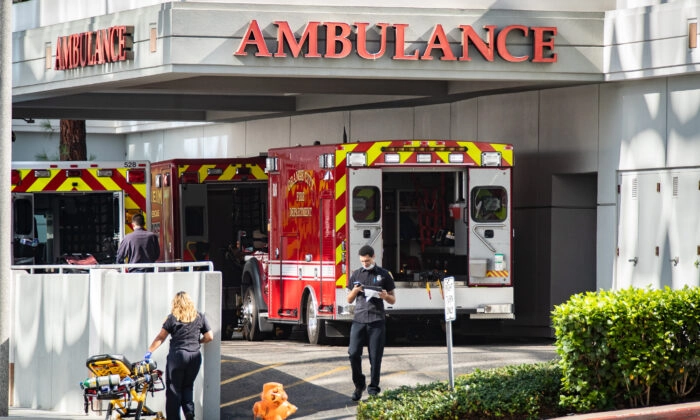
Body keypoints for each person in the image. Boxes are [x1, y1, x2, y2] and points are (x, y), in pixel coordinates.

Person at [146, 291, 214, 420]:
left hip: (177, 357)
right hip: (194, 356)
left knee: (174, 390)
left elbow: (161, 337)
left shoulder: (172, 318)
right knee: (188, 386)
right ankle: (189, 413)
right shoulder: (200, 316)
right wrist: (198, 341)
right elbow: (209, 336)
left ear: (175, 304)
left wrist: (149, 351)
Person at [346, 245, 396, 401]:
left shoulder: (384, 275)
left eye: (367, 260)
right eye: (362, 261)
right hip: (359, 319)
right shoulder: (356, 274)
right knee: (353, 353)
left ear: (373, 257)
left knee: (375, 357)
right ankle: (359, 385)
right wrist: (355, 290)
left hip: (376, 320)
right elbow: (349, 299)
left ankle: (373, 388)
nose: (365, 264)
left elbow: (393, 300)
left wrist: (385, 296)